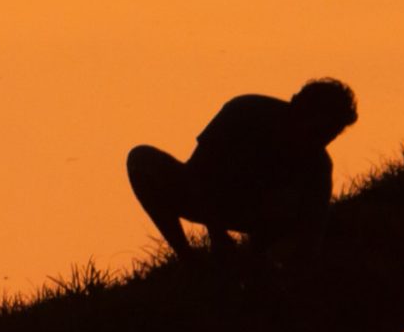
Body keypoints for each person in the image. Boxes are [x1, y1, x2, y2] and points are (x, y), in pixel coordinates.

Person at [127, 78, 358, 256]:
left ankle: (256, 262)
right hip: (204, 196)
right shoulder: (244, 111)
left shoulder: (318, 165)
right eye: (319, 129)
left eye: (333, 133)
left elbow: (311, 233)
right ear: (298, 107)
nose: (324, 139)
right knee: (141, 159)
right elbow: (200, 172)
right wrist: (216, 233)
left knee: (295, 209)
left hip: (258, 216)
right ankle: (187, 258)